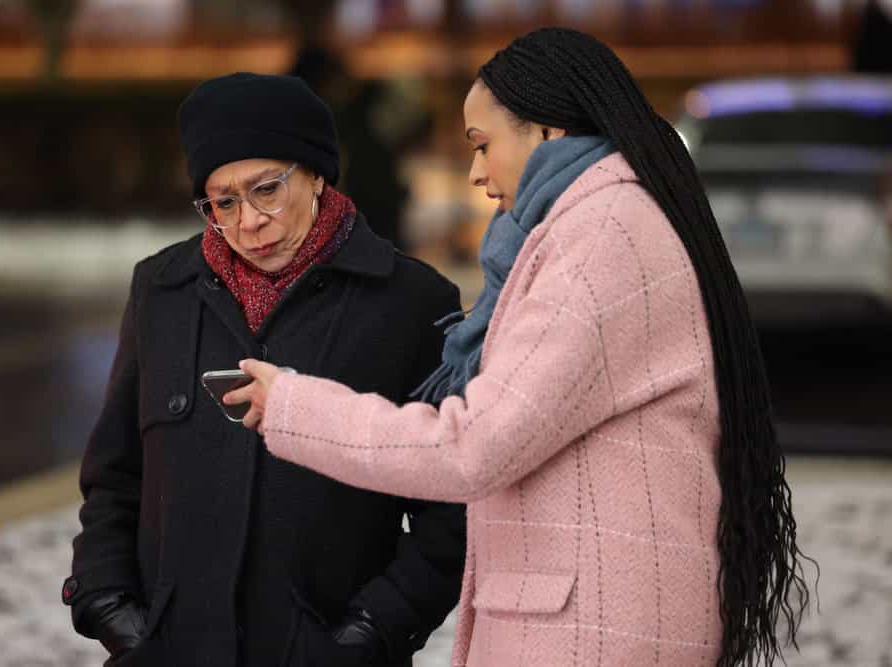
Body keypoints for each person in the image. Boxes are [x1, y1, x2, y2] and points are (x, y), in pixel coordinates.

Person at [227, 29, 813, 667]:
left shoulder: (599, 237)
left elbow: (477, 445)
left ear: (547, 133)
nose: (476, 172)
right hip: (594, 619)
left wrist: (293, 405)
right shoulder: (595, 223)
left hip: (595, 633)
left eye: (483, 145)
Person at [63, 72, 467, 667]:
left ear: (316, 175)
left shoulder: (412, 303)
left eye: (267, 190)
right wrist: (111, 606)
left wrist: (370, 631)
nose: (248, 220)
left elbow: (451, 508)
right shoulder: (161, 289)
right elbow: (115, 474)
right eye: (223, 201)